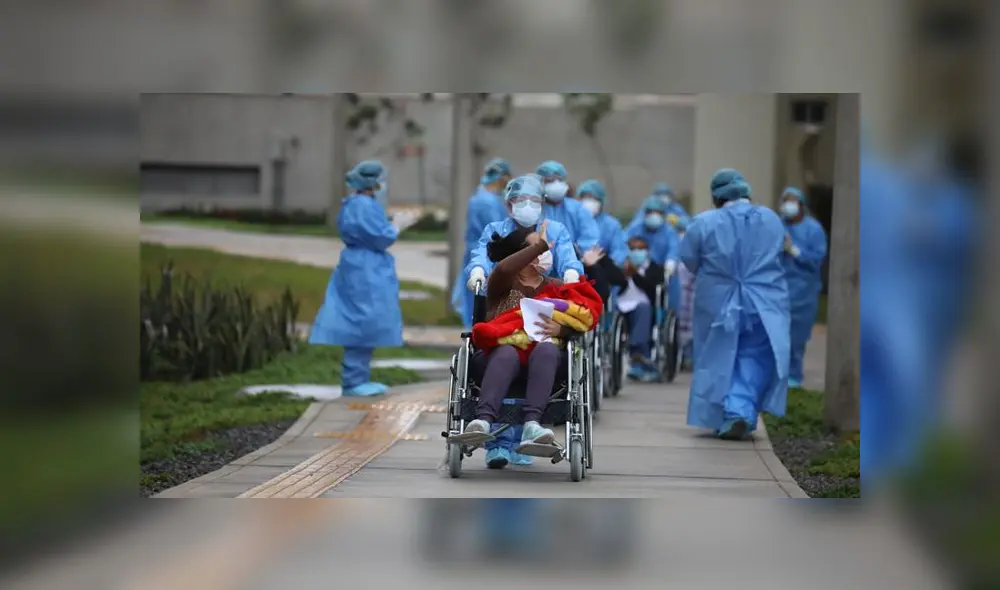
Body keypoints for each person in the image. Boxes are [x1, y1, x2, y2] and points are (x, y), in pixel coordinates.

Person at [465, 174, 584, 468]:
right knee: (506, 352)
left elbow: (570, 264)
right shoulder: (502, 280)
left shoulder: (553, 283)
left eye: (534, 200)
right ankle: (492, 434)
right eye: (521, 200)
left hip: (542, 341)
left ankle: (531, 427)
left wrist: (572, 276)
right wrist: (478, 269)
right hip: (504, 341)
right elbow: (488, 257)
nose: (528, 206)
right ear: (508, 205)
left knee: (545, 349)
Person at [679, 168, 790, 440]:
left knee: (718, 355)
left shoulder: (703, 223)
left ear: (716, 196)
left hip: (717, 297)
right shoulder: (771, 219)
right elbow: (780, 252)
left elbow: (689, 259)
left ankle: (732, 411)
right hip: (765, 298)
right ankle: (741, 409)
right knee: (754, 355)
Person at [310, 160, 402, 397]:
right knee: (363, 321)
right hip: (366, 269)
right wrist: (397, 226)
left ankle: (357, 377)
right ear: (373, 181)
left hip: (358, 266)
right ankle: (354, 380)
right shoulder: (363, 205)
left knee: (360, 321)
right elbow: (380, 237)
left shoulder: (354, 203)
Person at [450, 158, 513, 329]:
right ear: (501, 178)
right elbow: (497, 232)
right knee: (483, 300)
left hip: (481, 253)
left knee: (476, 299)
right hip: (488, 254)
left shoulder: (481, 197)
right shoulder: (487, 202)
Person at [778, 186, 828, 388]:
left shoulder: (813, 229)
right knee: (776, 336)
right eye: (785, 201)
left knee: (796, 338)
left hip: (803, 292)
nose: (788, 206)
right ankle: (776, 376)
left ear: (801, 205)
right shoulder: (778, 227)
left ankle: (794, 377)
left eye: (792, 201)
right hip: (779, 290)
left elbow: (817, 258)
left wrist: (796, 251)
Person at [615, 236, 665, 382]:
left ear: (647, 251)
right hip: (622, 305)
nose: (637, 251)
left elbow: (651, 287)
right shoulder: (620, 266)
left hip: (644, 306)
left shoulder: (655, 268)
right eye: (633, 248)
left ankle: (638, 351)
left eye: (640, 248)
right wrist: (624, 273)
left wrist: (635, 274)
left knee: (643, 309)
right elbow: (615, 285)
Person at [575, 179, 629, 305]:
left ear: (601, 201)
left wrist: (609, 264)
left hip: (602, 269)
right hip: (578, 268)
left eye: (593, 198)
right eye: (586, 197)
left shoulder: (611, 225)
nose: (589, 202)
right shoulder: (575, 221)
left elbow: (619, 250)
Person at [625, 196, 681, 314]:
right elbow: (623, 244)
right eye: (650, 212)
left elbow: (674, 249)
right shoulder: (635, 228)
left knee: (662, 296)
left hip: (659, 273)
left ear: (663, 214)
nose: (653, 216)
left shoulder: (669, 232)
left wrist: (671, 262)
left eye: (657, 212)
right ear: (644, 213)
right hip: (636, 270)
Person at [536, 160, 601, 255]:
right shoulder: (535, 209)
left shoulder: (577, 209)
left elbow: (589, 238)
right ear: (540, 184)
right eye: (550, 181)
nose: (556, 184)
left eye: (560, 180)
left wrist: (575, 254)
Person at [675, 217, 696, 371]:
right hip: (680, 293)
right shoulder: (676, 256)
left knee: (694, 325)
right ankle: (680, 356)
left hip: (695, 293)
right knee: (681, 324)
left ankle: (690, 356)